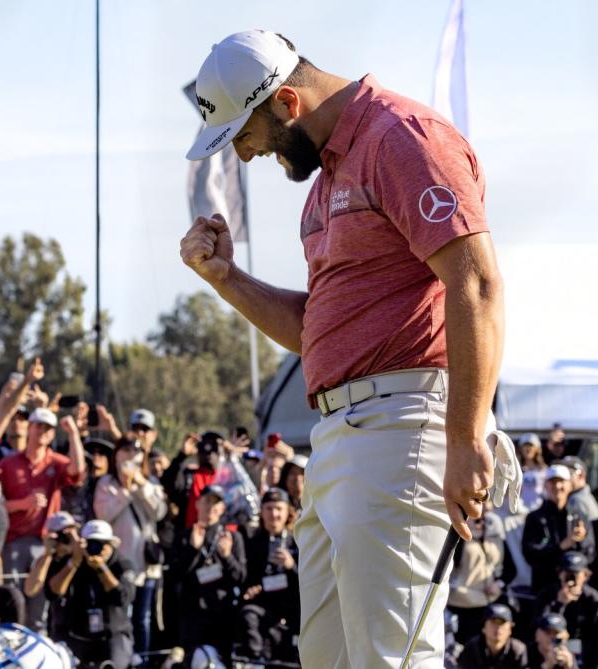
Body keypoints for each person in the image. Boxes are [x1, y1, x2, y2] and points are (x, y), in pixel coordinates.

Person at [181, 29, 509, 667]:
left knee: (393, 659)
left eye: (244, 137)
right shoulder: (325, 182)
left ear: (286, 105)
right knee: (328, 659)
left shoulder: (403, 139)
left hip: (404, 428)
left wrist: (467, 438)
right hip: (340, 440)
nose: (246, 157)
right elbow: (321, 333)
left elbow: (477, 283)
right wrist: (227, 278)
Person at [0, 407, 85, 629]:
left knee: (38, 606)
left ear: (53, 434)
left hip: (44, 543)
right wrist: (23, 504)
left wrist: (73, 434)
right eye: (38, 426)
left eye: (48, 428)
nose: (42, 432)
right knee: (12, 601)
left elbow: (78, 471)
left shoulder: (55, 462)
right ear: (29, 428)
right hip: (13, 543)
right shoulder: (8, 464)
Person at [93, 438, 168, 659]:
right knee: (122, 614)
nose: (130, 455)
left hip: (146, 565)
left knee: (143, 619)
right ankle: (123, 659)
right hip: (119, 565)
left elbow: (159, 512)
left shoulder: (150, 483)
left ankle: (141, 659)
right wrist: (125, 490)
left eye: (136, 451)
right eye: (125, 450)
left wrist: (140, 486)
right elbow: (103, 515)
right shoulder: (106, 483)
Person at [45, 520, 136, 669]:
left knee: (115, 663)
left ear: (111, 545)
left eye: (101, 544)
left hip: (113, 634)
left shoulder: (122, 564)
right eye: (91, 543)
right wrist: (73, 563)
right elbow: (53, 593)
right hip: (78, 634)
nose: (96, 548)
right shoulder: (75, 561)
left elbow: (123, 597)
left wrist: (102, 569)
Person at [171, 485, 246, 662]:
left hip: (222, 612)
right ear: (197, 504)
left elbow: (240, 577)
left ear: (222, 508)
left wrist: (227, 556)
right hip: (193, 613)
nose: (210, 507)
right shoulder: (185, 536)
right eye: (207, 501)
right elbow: (175, 575)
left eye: (216, 503)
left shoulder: (233, 537)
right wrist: (192, 549)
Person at [236, 488, 300, 664]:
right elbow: (244, 576)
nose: (274, 514)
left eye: (279, 508)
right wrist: (251, 589)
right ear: (262, 512)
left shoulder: (298, 540)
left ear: (288, 511)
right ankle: (256, 662)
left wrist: (291, 566)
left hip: (292, 609)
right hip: (264, 607)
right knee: (248, 614)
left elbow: (309, 580)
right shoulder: (251, 540)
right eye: (269, 508)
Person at [522, 465, 594, 592]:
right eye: (552, 482)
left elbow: (590, 554)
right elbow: (530, 554)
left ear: (570, 485)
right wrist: (561, 546)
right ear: (545, 485)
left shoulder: (580, 516)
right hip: (545, 587)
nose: (557, 486)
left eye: (561, 481)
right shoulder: (534, 518)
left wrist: (580, 541)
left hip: (575, 588)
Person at [533, 552, 598, 669]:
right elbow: (540, 628)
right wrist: (559, 604)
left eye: (576, 574)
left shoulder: (592, 597)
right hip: (551, 650)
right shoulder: (547, 594)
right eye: (567, 573)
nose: (571, 578)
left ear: (585, 575)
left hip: (582, 649)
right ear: (560, 574)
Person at [448, 514, 507, 645]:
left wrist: (499, 584)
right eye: (475, 521)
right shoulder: (458, 538)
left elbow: (509, 569)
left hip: (487, 602)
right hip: (461, 602)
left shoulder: (494, 540)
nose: (479, 525)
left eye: (482, 521)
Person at [161, 432, 226, 531]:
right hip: (187, 538)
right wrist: (182, 455)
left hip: (219, 539)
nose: (209, 452)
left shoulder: (227, 478)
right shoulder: (189, 476)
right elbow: (168, 485)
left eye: (214, 448)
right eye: (204, 446)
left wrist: (233, 456)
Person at [456, 604, 529, 669]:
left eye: (502, 623)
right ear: (483, 627)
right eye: (493, 623)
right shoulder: (472, 647)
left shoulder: (518, 650)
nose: (498, 628)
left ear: (510, 628)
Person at [559, 457, 598, 523]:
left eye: (568, 473)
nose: (563, 478)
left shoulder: (576, 500)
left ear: (581, 475)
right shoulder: (582, 497)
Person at [518, 434, 547, 513]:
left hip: (539, 512)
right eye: (525, 445)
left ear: (537, 449)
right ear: (520, 449)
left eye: (531, 445)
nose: (528, 448)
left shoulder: (544, 470)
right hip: (519, 512)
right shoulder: (515, 470)